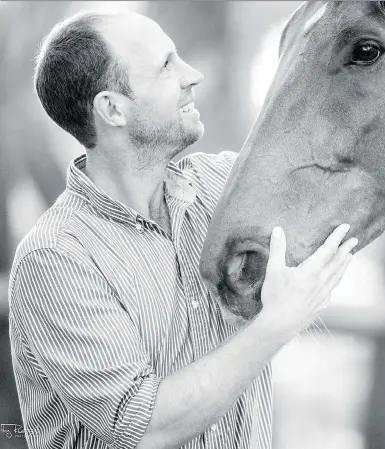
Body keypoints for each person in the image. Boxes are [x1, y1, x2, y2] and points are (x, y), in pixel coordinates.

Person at [8, 10, 357, 449]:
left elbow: (341, 156)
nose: (193, 75)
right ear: (112, 109)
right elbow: (145, 427)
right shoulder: (57, 259)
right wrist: (276, 325)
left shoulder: (224, 189)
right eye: (166, 66)